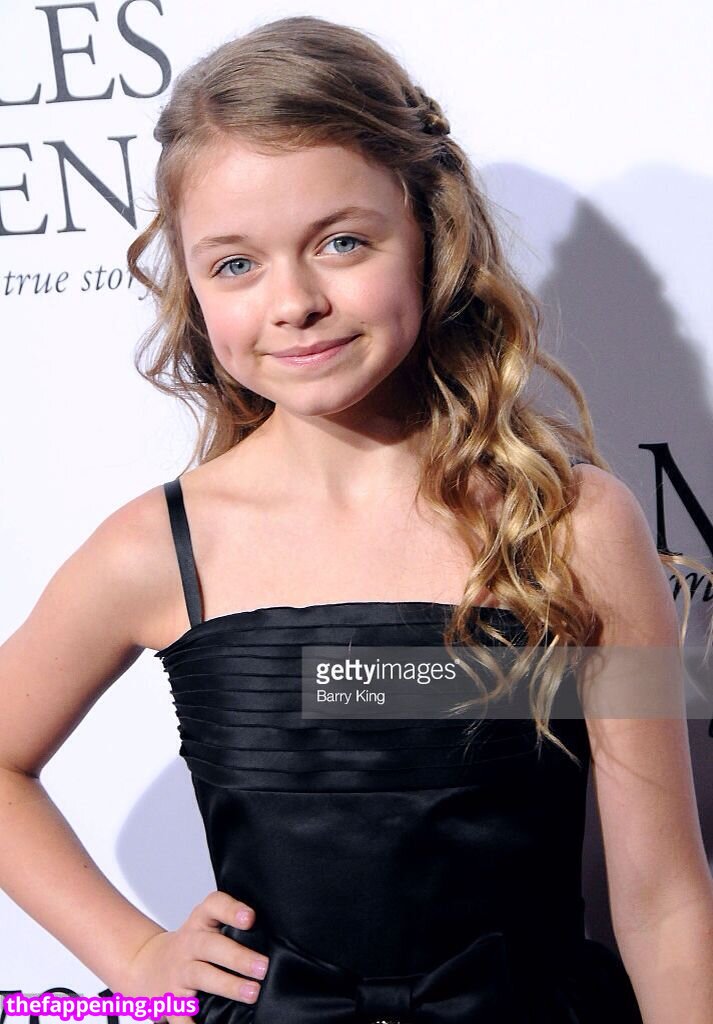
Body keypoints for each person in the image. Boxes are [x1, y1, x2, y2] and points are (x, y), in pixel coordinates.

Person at [1, 13, 712, 1024]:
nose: (293, 301)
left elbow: (664, 901)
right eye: (235, 264)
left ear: (430, 236)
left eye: (341, 242)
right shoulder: (158, 549)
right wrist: (134, 950)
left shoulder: (572, 525)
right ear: (191, 286)